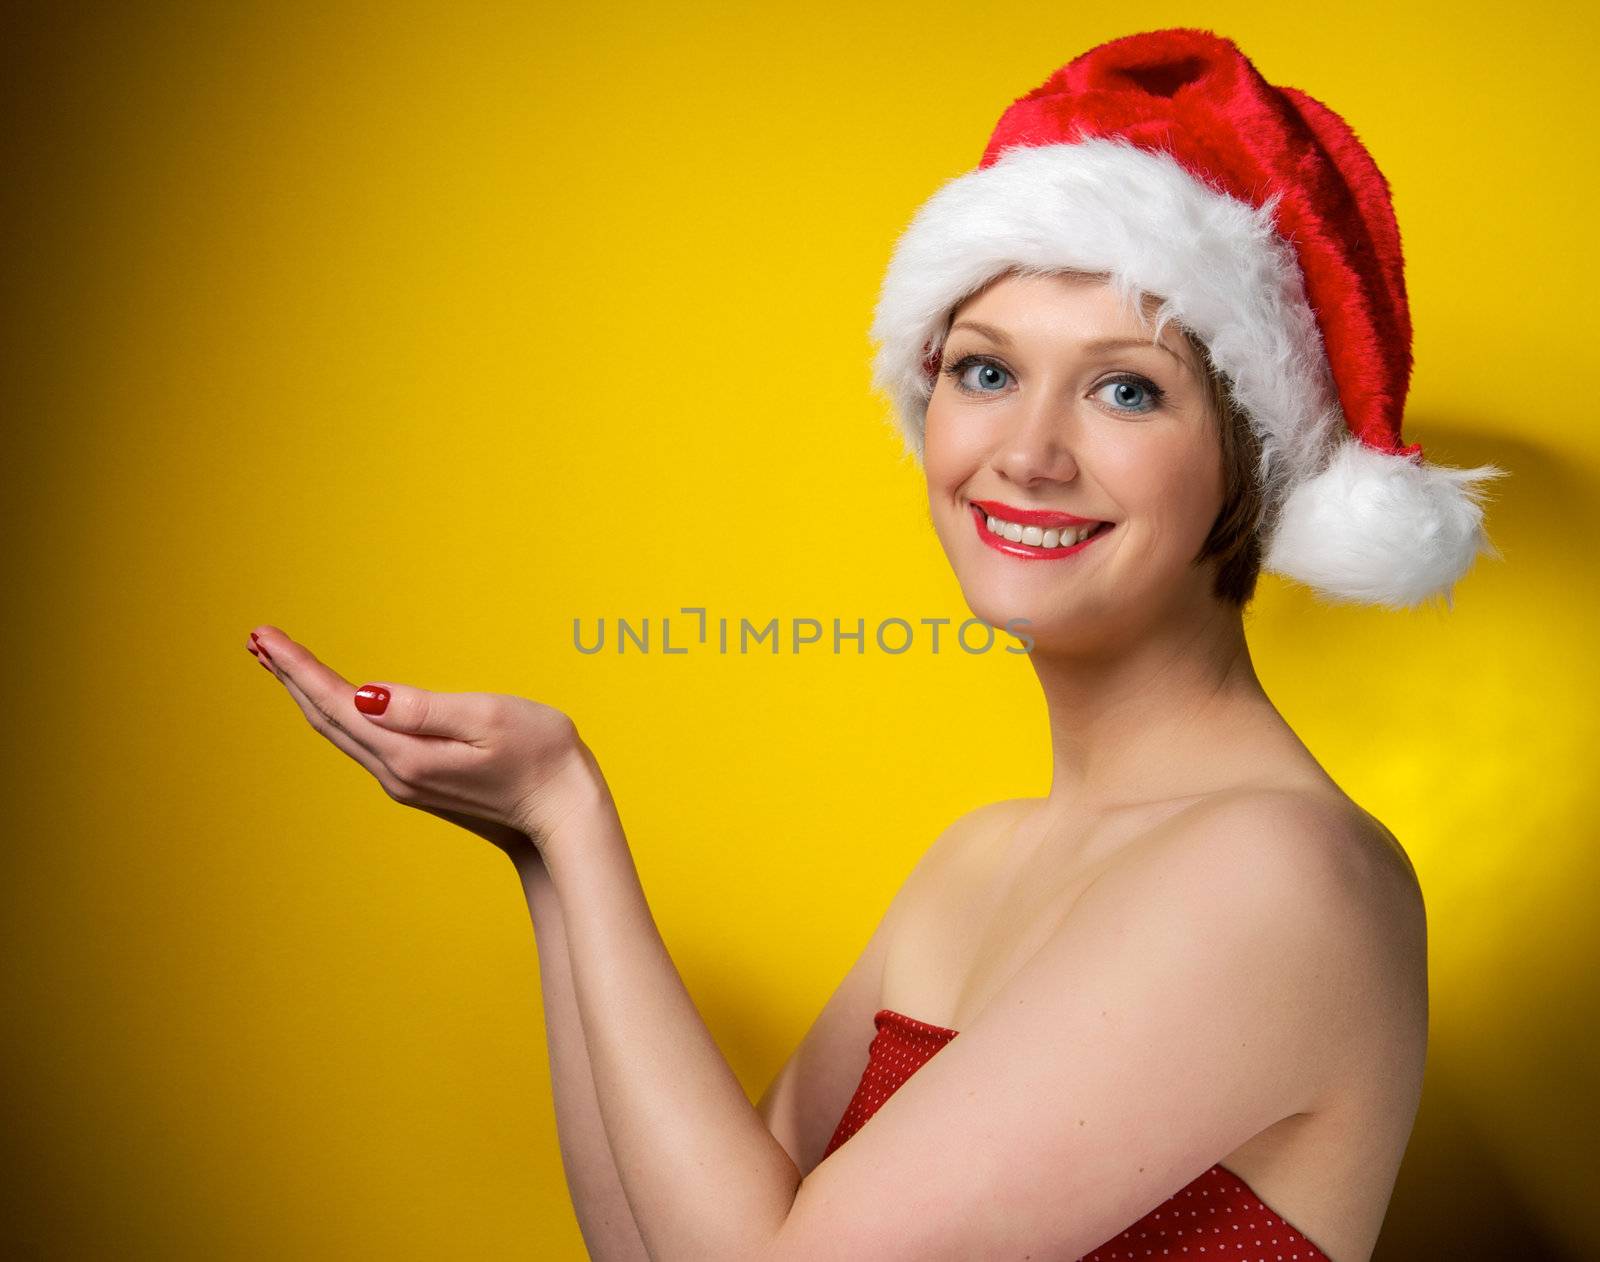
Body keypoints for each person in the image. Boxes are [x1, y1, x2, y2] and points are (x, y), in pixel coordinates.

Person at [246, 27, 1506, 1262]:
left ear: (1252, 464)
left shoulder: (1282, 872)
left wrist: (574, 814)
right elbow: (656, 1243)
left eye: (1127, 387)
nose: (1028, 450)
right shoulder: (977, 858)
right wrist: (546, 837)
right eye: (983, 371)